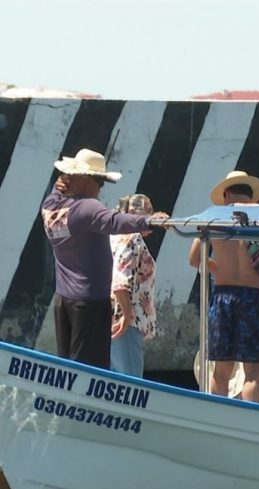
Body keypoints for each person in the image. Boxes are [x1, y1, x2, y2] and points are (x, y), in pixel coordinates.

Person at [42, 148, 168, 369]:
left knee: (68, 367)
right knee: (89, 370)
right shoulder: (87, 208)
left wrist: (60, 183)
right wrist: (149, 221)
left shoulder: (50, 206)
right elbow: (115, 222)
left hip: (63, 300)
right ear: (85, 179)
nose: (100, 188)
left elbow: (57, 192)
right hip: (90, 303)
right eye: (99, 181)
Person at [188, 171, 259, 403]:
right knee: (253, 373)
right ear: (251, 196)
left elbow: (194, 258)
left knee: (221, 371)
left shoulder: (214, 218)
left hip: (224, 297)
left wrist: (217, 267)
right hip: (255, 298)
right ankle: (250, 420)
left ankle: (217, 416)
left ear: (226, 193)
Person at [109, 194, 158, 377]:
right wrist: (127, 316)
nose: (152, 216)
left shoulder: (114, 236)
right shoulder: (130, 238)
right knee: (131, 381)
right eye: (148, 211)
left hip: (116, 317)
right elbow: (120, 280)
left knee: (115, 378)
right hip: (127, 321)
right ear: (132, 214)